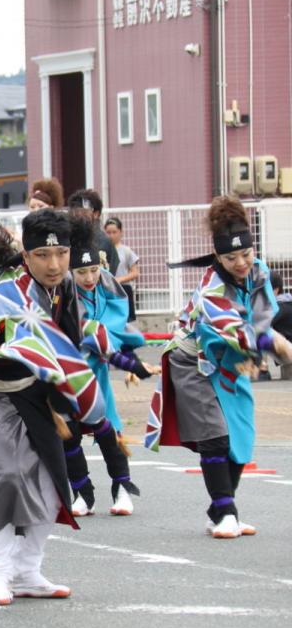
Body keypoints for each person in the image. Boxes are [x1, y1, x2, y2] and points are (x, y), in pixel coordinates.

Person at [0, 211, 107, 606]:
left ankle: (27, 571)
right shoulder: (7, 295)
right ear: (26, 255)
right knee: (7, 472)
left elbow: (66, 344)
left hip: (30, 389)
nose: (54, 264)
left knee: (53, 482)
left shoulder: (65, 288)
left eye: (62, 253)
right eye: (43, 255)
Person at [145, 196, 292, 538]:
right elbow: (236, 329)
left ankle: (219, 510)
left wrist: (259, 351)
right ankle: (226, 511)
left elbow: (262, 316)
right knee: (215, 435)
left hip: (232, 360)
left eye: (246, 254)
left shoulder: (260, 271)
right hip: (193, 360)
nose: (241, 263)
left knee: (241, 437)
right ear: (217, 256)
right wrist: (274, 346)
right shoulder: (212, 288)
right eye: (231, 257)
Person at [65, 217, 154, 517]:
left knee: (109, 430)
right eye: (81, 272)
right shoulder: (62, 293)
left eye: (93, 270)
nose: (89, 277)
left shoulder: (109, 285)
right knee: (70, 434)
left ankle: (122, 487)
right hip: (70, 374)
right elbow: (85, 332)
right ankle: (82, 492)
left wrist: (124, 355)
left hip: (98, 373)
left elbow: (117, 328)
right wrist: (127, 361)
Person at [67, 189, 119, 277]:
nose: (78, 214)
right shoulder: (67, 237)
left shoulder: (104, 241)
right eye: (75, 211)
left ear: (96, 213)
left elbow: (109, 274)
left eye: (82, 211)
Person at [103, 218, 140, 322]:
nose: (111, 235)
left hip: (124, 289)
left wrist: (119, 279)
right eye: (108, 232)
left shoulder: (126, 251)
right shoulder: (101, 250)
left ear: (121, 232)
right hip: (107, 289)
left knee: (126, 320)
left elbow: (135, 272)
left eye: (114, 232)